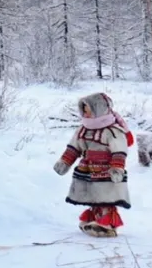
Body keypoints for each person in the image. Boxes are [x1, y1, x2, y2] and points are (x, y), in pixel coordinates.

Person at [54, 92, 133, 237]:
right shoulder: (83, 129)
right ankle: (94, 218)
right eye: (83, 109)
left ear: (99, 108)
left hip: (106, 170)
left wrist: (117, 167)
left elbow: (119, 149)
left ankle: (107, 223)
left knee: (105, 196)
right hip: (87, 167)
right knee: (92, 195)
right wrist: (65, 162)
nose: (85, 112)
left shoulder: (113, 131)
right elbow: (74, 147)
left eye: (88, 109)